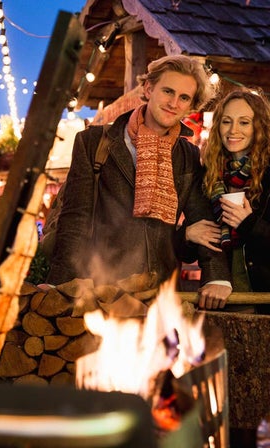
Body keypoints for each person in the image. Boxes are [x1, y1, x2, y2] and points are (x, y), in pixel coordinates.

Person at [45, 54, 231, 309]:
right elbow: (75, 218)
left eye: (184, 97)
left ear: (191, 105)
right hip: (99, 287)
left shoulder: (187, 155)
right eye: (168, 91)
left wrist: (217, 277)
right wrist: (60, 283)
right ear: (149, 88)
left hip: (156, 292)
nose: (174, 103)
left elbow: (202, 219)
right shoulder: (94, 143)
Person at [183, 89, 270, 292]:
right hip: (221, 296)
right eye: (226, 121)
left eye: (244, 122)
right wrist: (187, 235)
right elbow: (189, 253)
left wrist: (248, 223)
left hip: (262, 300)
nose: (233, 130)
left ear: (259, 127)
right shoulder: (210, 174)